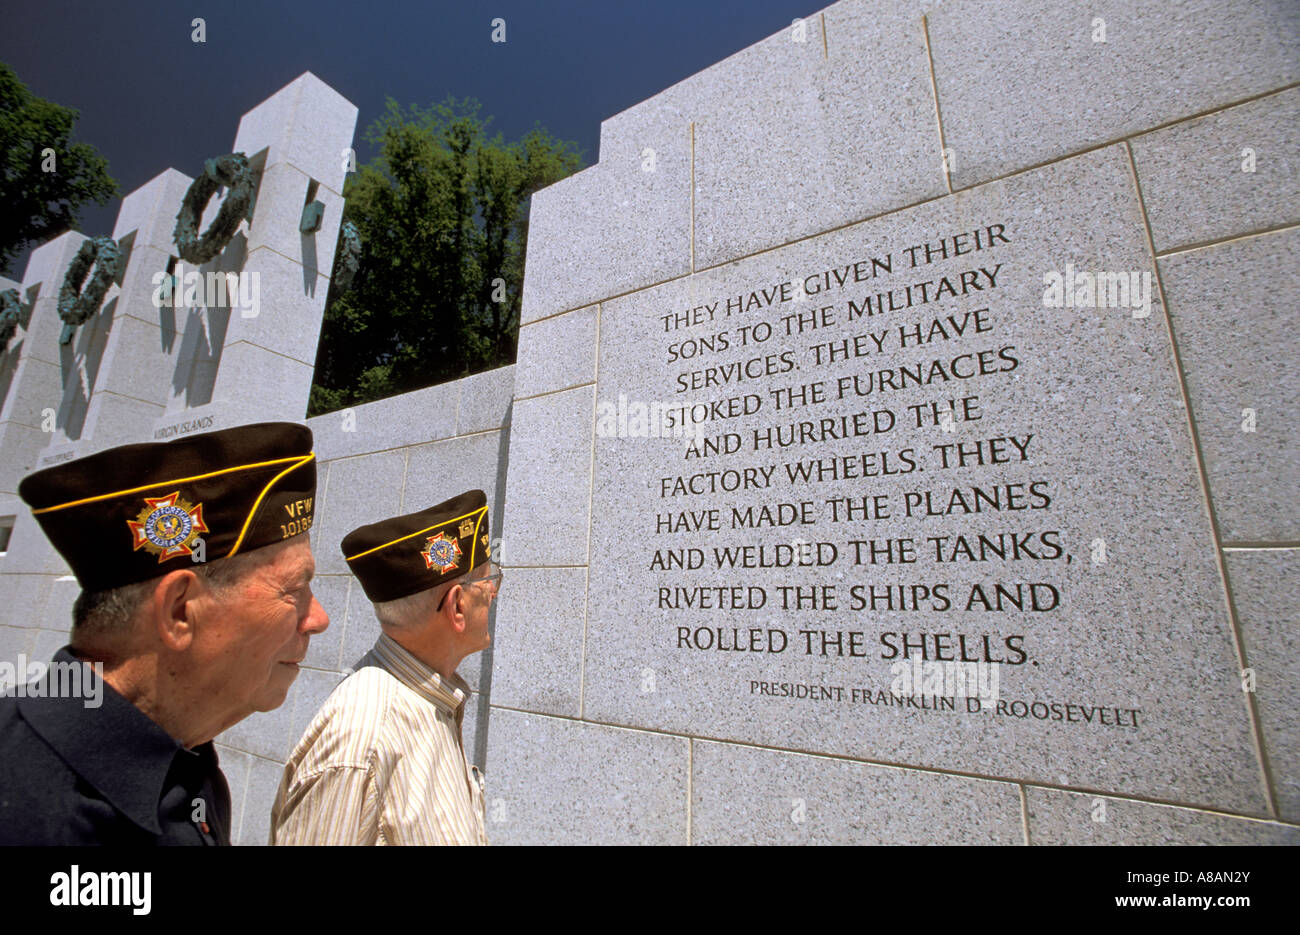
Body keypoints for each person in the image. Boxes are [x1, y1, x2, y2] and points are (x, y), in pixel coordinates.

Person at [0, 422, 328, 845]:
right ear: (180, 611)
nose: (317, 619)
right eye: (294, 590)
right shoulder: (32, 820)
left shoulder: (185, 764)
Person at [270, 489, 498, 845]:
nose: (494, 592)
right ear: (457, 607)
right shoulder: (364, 739)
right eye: (487, 580)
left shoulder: (429, 701)